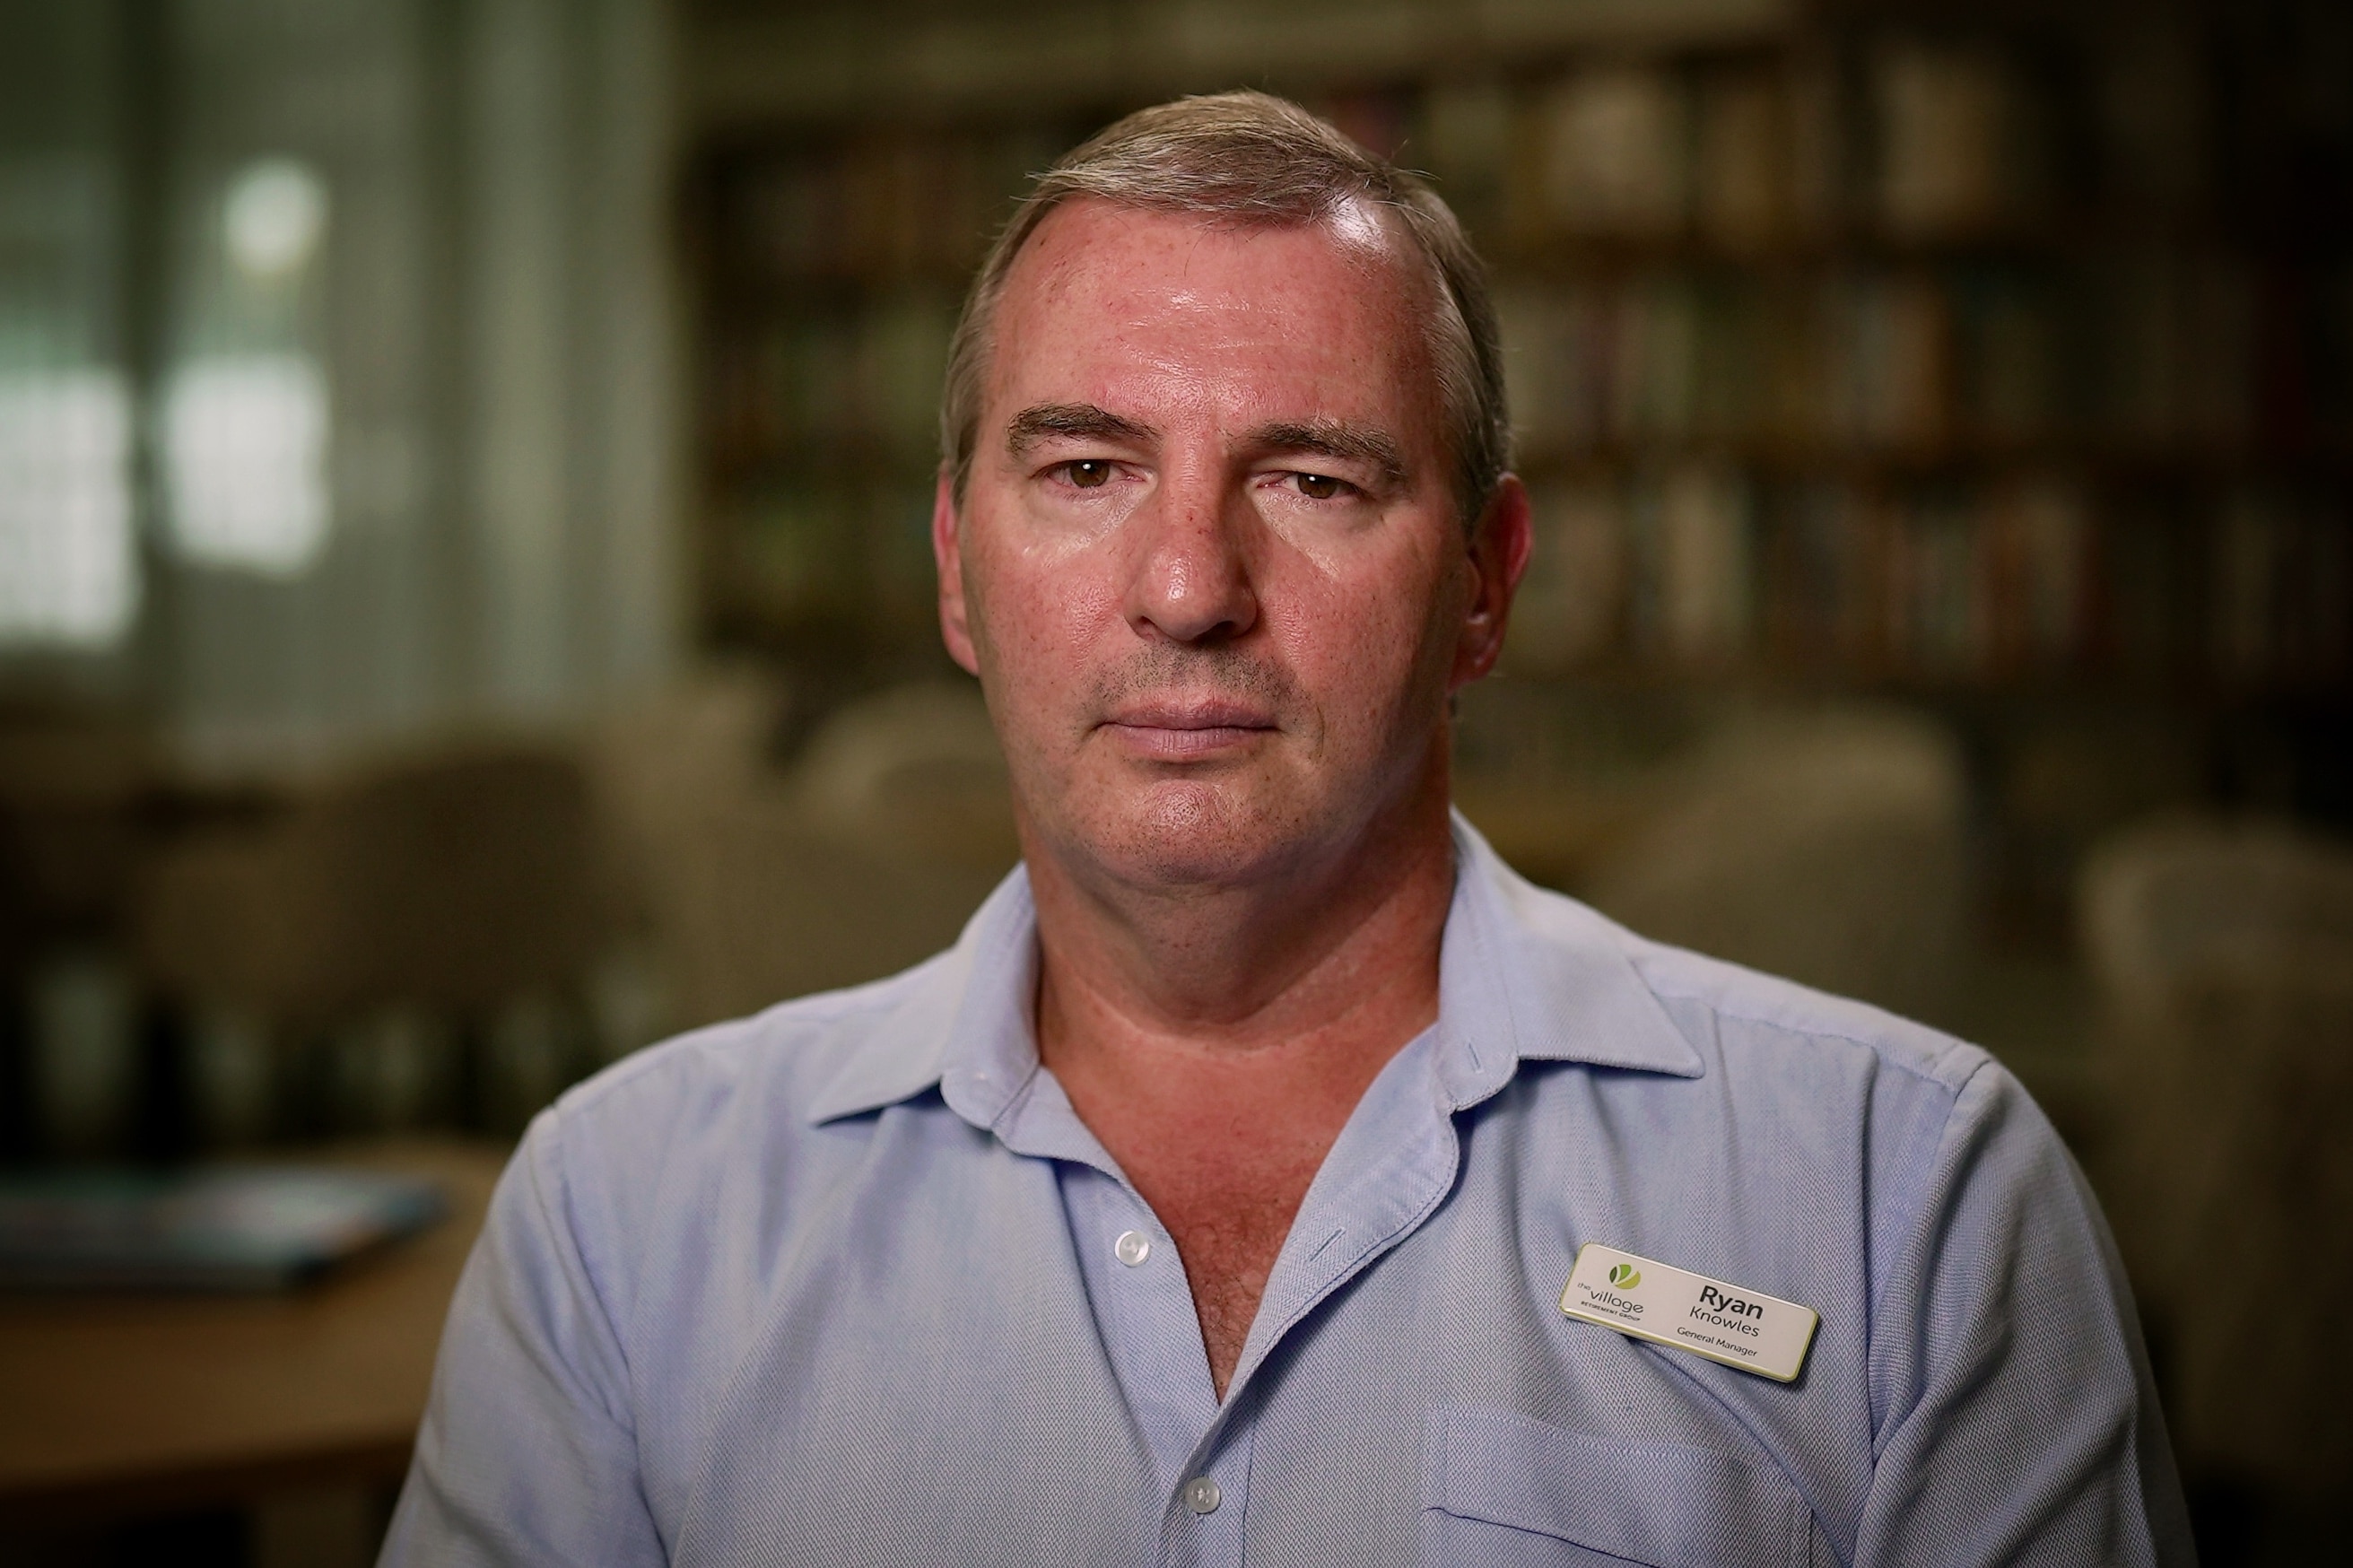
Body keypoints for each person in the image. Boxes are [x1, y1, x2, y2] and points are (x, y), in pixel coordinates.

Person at [383, 92, 2192, 1566]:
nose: (1188, 586)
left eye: (1314, 479)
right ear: (954, 570)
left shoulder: (1906, 1200)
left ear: (1483, 583)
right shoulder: (622, 1222)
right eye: (1086, 470)